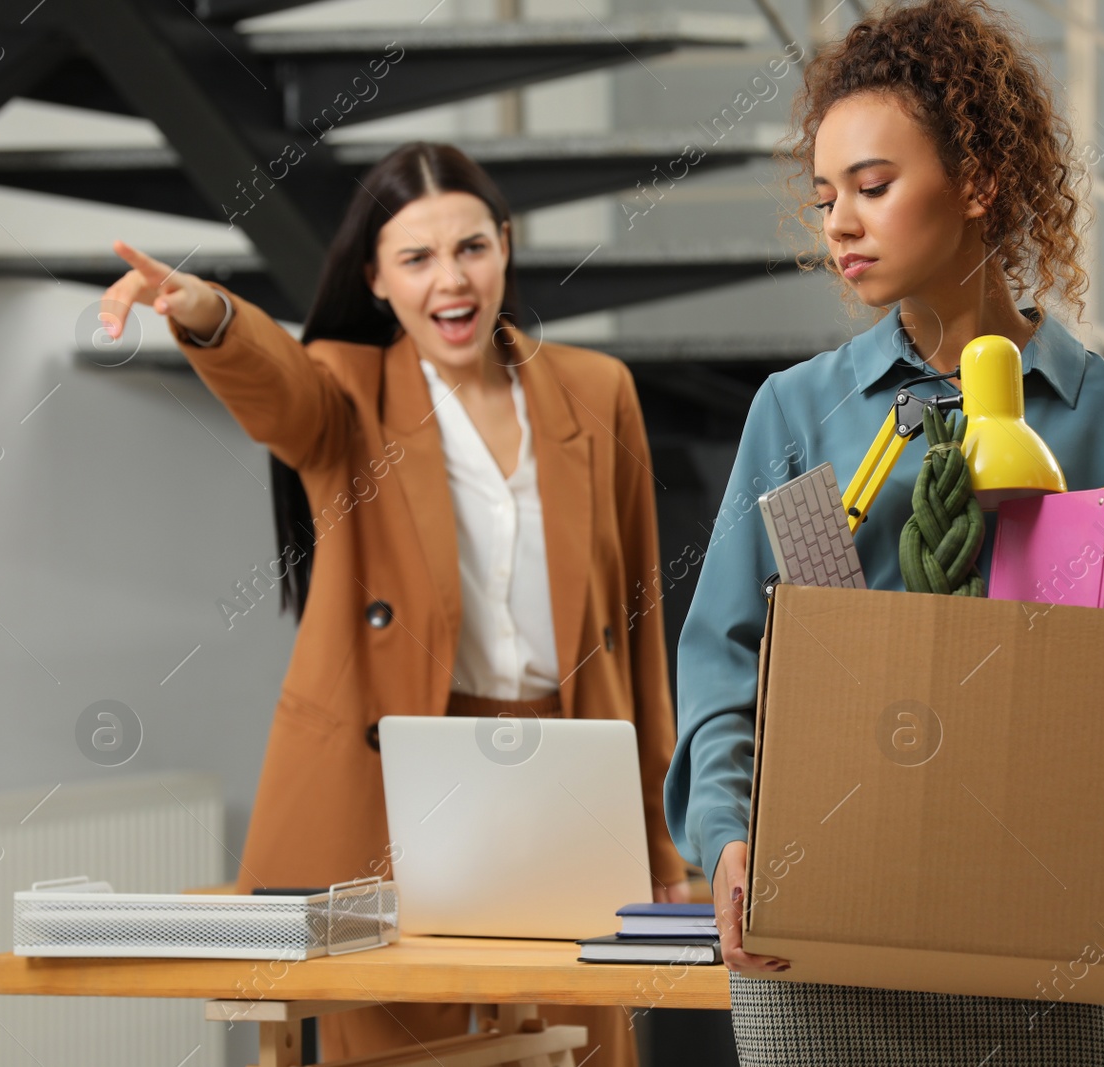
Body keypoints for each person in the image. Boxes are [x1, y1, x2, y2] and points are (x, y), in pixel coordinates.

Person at [664, 2, 1104, 1064]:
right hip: (821, 946)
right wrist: (730, 840)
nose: (839, 221)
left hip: (1049, 945)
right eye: (826, 194)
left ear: (977, 181)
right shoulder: (794, 417)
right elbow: (721, 659)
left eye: (874, 187)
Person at [97, 142, 688, 1066]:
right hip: (406, 774)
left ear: (506, 246)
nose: (450, 280)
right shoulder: (347, 391)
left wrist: (664, 837)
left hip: (570, 764)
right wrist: (208, 312)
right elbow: (276, 387)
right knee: (396, 1044)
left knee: (584, 1040)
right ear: (375, 279)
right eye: (415, 258)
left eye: (470, 249)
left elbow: (640, 628)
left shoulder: (596, 391)